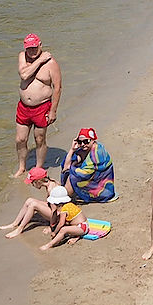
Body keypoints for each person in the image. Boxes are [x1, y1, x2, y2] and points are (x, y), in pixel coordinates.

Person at [14, 34, 63, 176]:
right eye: (29, 48)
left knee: (39, 139)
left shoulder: (51, 63)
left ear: (40, 45)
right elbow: (24, 75)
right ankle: (22, 167)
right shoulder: (23, 57)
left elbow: (57, 87)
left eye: (35, 48)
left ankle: (38, 168)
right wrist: (41, 59)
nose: (32, 51)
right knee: (20, 139)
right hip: (23, 107)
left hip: (42, 107)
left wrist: (53, 110)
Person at [64, 128, 116, 203]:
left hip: (104, 189)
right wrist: (72, 149)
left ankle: (65, 198)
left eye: (86, 141)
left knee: (72, 176)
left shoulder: (97, 154)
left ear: (92, 140)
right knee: (73, 168)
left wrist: (72, 170)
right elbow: (66, 165)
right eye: (80, 142)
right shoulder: (86, 150)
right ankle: (66, 195)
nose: (82, 144)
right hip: (98, 182)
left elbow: (83, 173)